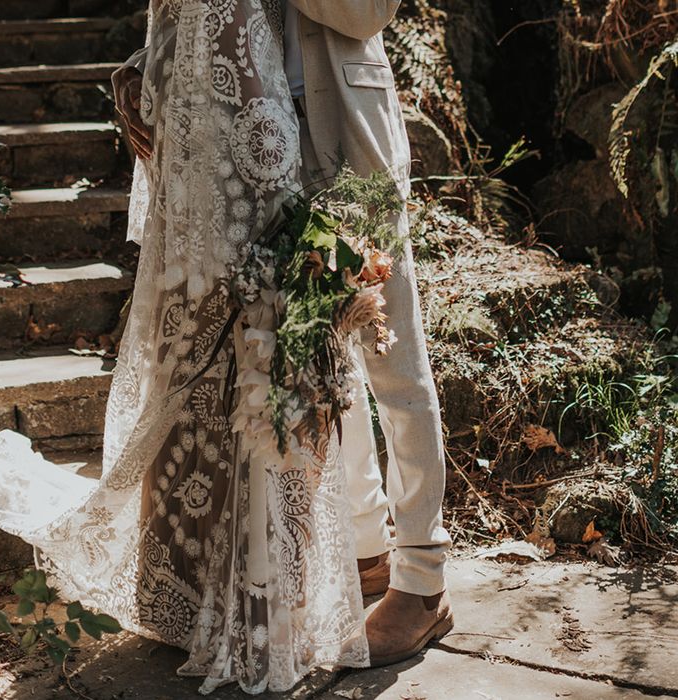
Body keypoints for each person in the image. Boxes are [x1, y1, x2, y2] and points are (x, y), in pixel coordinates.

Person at [113, 0, 454, 670]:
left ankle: (424, 581)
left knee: (392, 354)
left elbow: (367, 14)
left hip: (344, 132)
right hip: (254, 143)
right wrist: (148, 64)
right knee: (313, 357)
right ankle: (367, 549)